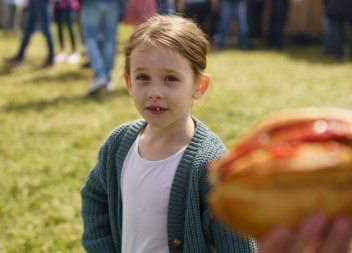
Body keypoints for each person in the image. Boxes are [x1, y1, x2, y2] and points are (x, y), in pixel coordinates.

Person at [80, 14, 258, 252]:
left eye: (170, 79)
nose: (154, 91)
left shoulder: (211, 165)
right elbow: (96, 197)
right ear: (129, 83)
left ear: (199, 86)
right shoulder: (118, 144)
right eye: (143, 77)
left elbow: (238, 244)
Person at [80, 0, 123, 95]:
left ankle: (100, 75)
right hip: (113, 3)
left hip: (92, 3)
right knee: (109, 40)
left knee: (90, 37)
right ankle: (106, 79)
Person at [4, 0, 55, 68]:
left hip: (42, 2)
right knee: (27, 30)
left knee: (46, 29)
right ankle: (19, 56)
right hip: (32, 3)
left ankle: (51, 58)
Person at [53, 0, 80, 64]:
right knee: (59, 29)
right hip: (58, 6)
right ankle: (62, 51)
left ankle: (74, 51)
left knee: (70, 28)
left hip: (68, 5)